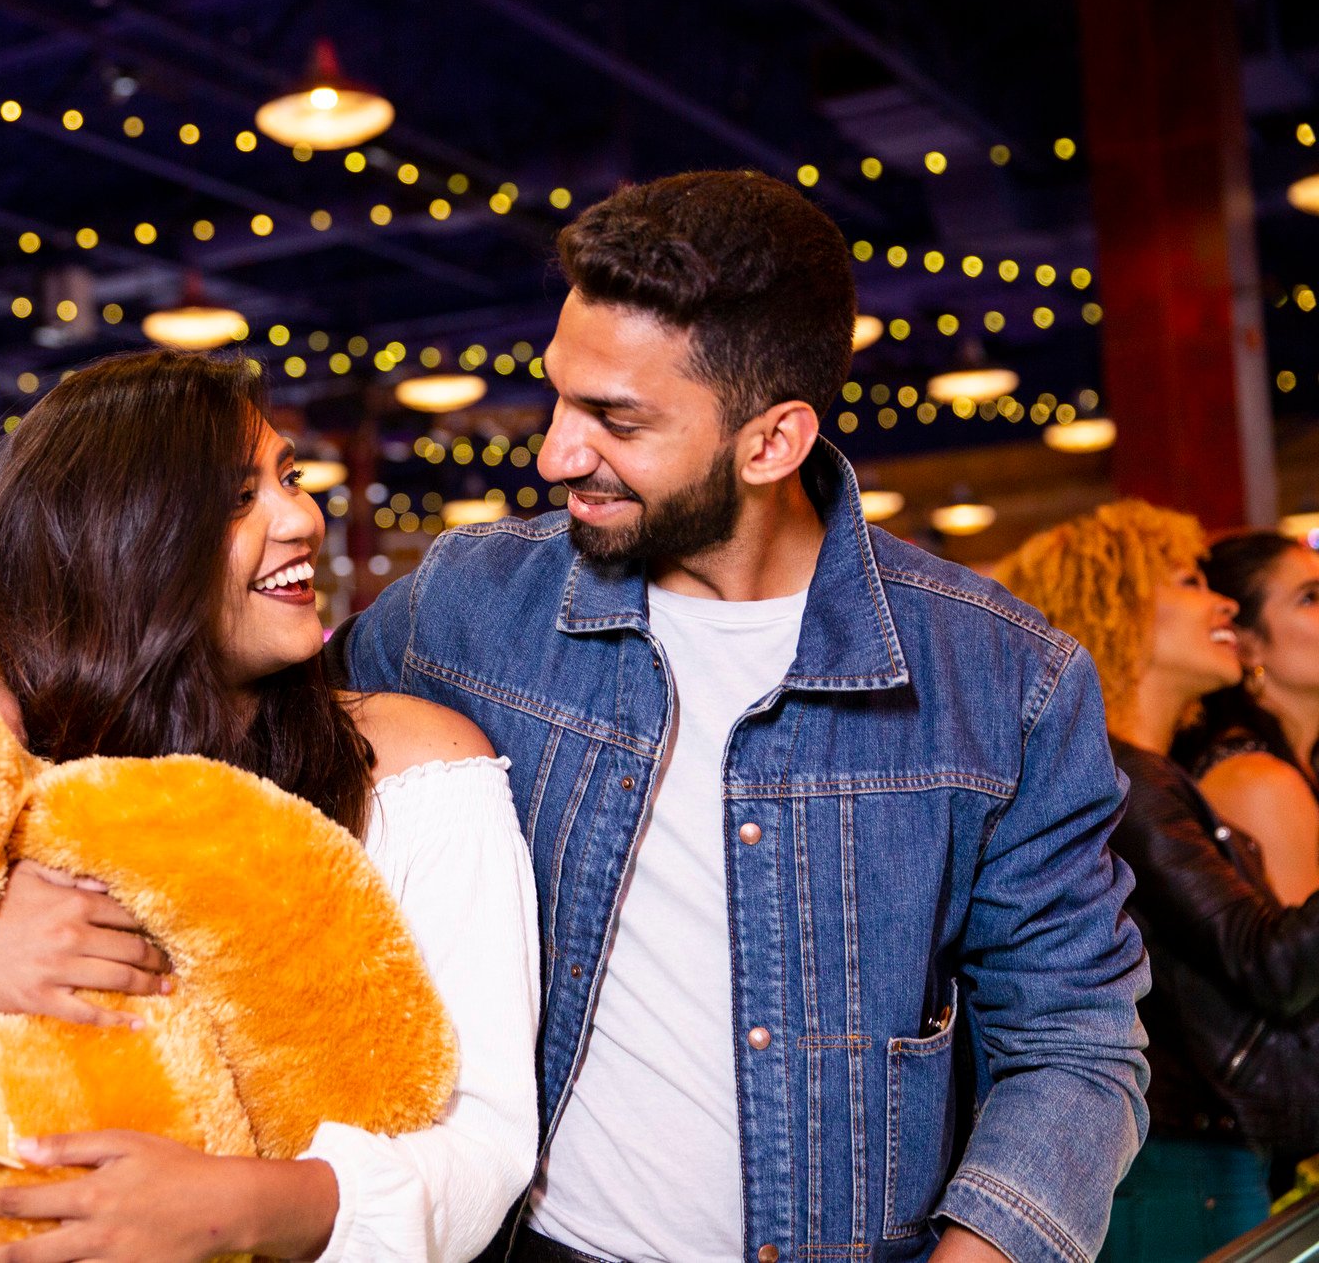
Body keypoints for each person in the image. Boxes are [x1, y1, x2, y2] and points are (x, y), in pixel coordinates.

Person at [327, 171, 1150, 1263]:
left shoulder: (1002, 679)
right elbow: (239, 754)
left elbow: (1072, 1040)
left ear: (772, 442)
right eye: (560, 398)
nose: (553, 453)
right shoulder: (467, 606)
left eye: (615, 419)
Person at [0, 350, 542, 1263]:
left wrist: (240, 1207)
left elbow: (483, 1149)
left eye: (288, 477)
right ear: (118, 544)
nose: (299, 518)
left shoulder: (413, 771)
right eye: (234, 500)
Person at [1001, 502, 1319, 1259]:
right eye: (1187, 581)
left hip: (1186, 1156)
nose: (1220, 604)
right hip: (1176, 1164)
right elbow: (1269, 961)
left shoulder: (1146, 775)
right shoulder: (1121, 780)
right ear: (1113, 604)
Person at [1174, 531, 1319, 905]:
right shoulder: (1259, 784)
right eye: (1310, 598)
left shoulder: (1294, 758)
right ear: (1247, 643)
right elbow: (1301, 959)